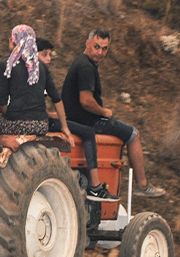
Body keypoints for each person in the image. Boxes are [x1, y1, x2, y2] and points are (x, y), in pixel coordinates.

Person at [62, 28, 166, 199]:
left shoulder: (80, 62)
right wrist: (104, 111)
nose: (100, 52)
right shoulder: (86, 67)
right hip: (88, 121)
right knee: (133, 134)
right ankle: (143, 185)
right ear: (87, 44)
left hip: (75, 118)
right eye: (96, 47)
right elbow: (86, 101)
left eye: (104, 48)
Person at [0, 25, 72, 143]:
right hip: (41, 125)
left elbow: (2, 101)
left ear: (14, 41)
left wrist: (8, 113)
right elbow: (56, 98)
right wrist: (64, 127)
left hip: (16, 124)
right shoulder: (41, 66)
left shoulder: (6, 64)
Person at [35, 37, 73, 146]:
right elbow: (56, 98)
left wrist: (51, 114)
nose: (49, 59)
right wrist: (64, 126)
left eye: (50, 55)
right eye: (44, 54)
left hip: (33, 120)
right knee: (87, 132)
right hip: (38, 123)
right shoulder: (41, 72)